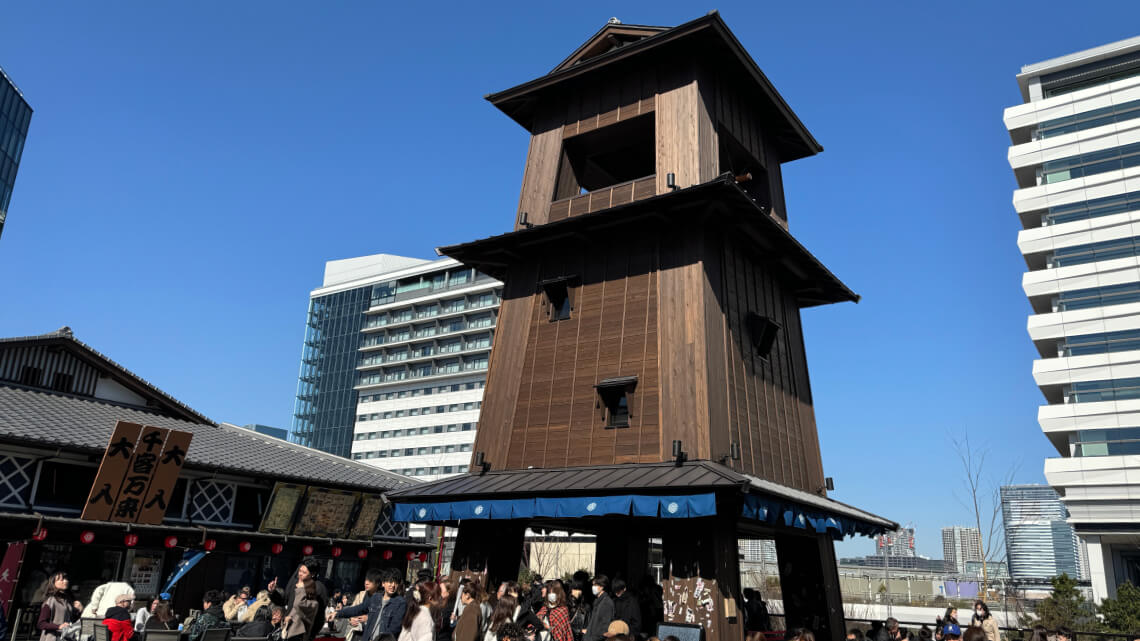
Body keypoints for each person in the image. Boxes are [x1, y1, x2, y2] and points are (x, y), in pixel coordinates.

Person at [272, 558, 330, 641]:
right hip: (288, 629)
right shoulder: (295, 584)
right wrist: (273, 592)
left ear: (313, 574)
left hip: (302, 633)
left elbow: (317, 614)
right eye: (300, 571)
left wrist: (311, 634)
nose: (300, 574)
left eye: (304, 572)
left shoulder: (318, 588)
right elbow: (284, 601)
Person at [38, 572, 80, 641]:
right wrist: (59, 626)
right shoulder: (51, 600)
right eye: (61, 579)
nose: (65, 581)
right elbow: (41, 623)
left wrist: (79, 611)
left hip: (66, 637)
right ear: (53, 583)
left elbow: (73, 621)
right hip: (52, 638)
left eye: (66, 579)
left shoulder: (68, 600)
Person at [283, 576, 320, 641]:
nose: (297, 585)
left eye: (301, 583)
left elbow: (298, 605)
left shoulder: (313, 603)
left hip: (300, 636)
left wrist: (301, 589)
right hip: (291, 635)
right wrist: (287, 619)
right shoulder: (301, 599)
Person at [582, 577, 612, 641]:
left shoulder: (606, 603)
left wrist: (591, 638)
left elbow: (604, 628)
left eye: (595, 585)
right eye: (593, 585)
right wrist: (588, 630)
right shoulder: (598, 601)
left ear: (602, 586)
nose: (593, 587)